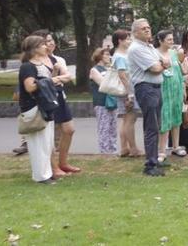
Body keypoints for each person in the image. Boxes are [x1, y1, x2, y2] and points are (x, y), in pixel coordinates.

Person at [31, 30, 78, 177]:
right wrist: (56, 77)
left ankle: (63, 162)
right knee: (49, 134)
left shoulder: (57, 60)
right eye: (47, 41)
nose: (50, 43)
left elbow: (67, 76)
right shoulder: (34, 61)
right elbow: (41, 83)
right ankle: (53, 166)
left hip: (59, 96)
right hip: (45, 98)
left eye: (51, 40)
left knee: (69, 129)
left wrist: (57, 77)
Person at [16, 35, 59, 184]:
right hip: (33, 107)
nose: (46, 46)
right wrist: (51, 80)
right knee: (38, 143)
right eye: (42, 45)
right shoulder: (28, 66)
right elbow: (29, 87)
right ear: (34, 49)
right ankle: (41, 176)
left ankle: (46, 172)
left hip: (44, 105)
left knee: (47, 142)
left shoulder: (41, 64)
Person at [127, 19, 167, 176]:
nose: (147, 30)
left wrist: (161, 63)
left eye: (149, 27)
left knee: (156, 126)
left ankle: (154, 159)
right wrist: (162, 64)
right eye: (143, 28)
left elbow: (165, 62)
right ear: (135, 32)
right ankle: (150, 165)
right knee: (151, 127)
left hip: (155, 88)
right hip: (146, 88)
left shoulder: (149, 47)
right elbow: (156, 68)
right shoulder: (136, 48)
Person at [155, 30, 187, 161]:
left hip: (176, 89)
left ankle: (176, 146)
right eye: (168, 39)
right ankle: (161, 150)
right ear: (161, 40)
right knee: (165, 118)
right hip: (163, 90)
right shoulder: (155, 54)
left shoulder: (174, 53)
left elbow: (179, 72)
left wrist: (183, 88)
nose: (172, 42)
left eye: (172, 39)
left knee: (176, 117)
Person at [110, 30, 141, 158]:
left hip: (126, 91)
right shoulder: (120, 56)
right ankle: (133, 148)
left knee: (125, 120)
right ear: (120, 41)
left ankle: (124, 148)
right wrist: (130, 93)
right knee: (130, 119)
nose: (129, 41)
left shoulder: (121, 55)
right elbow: (122, 76)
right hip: (127, 91)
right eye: (127, 39)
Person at [88, 48, 119, 155]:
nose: (109, 56)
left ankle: (113, 150)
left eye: (109, 54)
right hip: (101, 102)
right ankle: (105, 151)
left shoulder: (111, 68)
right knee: (104, 128)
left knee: (113, 128)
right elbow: (104, 84)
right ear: (100, 56)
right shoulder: (94, 70)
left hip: (113, 101)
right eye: (106, 54)